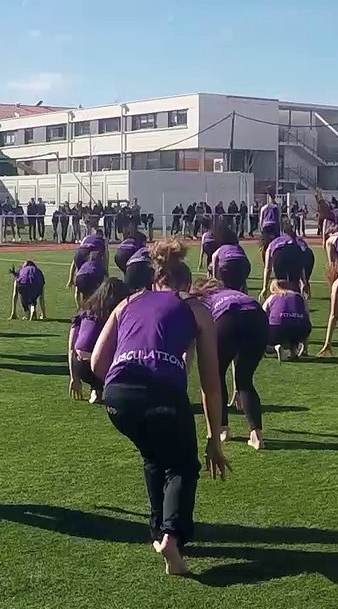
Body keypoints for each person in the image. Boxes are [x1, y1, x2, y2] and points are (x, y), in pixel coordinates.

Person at [86, 239, 230, 576]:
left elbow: (96, 363)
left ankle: (158, 531)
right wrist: (214, 438)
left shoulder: (129, 302)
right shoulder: (196, 309)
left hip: (118, 397)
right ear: (185, 283)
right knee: (183, 465)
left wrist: (127, 381)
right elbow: (211, 384)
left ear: (155, 279)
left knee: (153, 456)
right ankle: (172, 537)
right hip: (163, 392)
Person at [195, 277, 267, 449]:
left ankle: (223, 428)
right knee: (245, 380)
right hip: (257, 317)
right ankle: (256, 435)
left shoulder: (204, 299)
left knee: (216, 375)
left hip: (227, 318)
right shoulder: (235, 293)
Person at [68, 278, 131, 404]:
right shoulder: (113, 315)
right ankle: (104, 387)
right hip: (101, 367)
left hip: (80, 368)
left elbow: (71, 348)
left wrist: (74, 377)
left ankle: (96, 388)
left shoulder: (83, 311)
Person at [264, 280, 312, 361]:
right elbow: (306, 318)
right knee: (295, 328)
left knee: (269, 338)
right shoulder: (299, 296)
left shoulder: (272, 297)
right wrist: (305, 347)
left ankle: (273, 348)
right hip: (301, 329)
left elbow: (262, 314)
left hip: (278, 328)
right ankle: (294, 352)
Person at [70, 223, 108, 289]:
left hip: (78, 253)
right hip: (86, 254)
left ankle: (76, 288)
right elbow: (105, 257)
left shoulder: (86, 238)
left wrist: (70, 278)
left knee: (79, 273)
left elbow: (75, 259)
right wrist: (106, 271)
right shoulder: (102, 241)